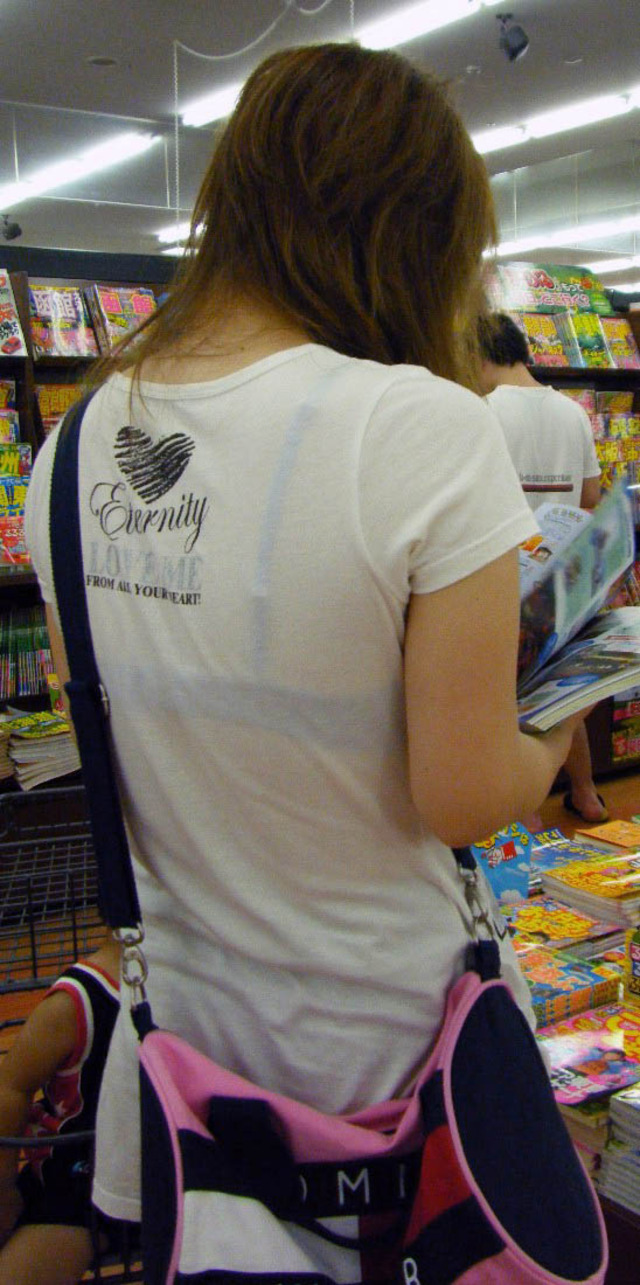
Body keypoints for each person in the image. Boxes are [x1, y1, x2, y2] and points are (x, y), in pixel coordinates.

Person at [24, 43, 588, 1236]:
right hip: (383, 1057)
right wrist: (569, 706)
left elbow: (115, 728)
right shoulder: (417, 426)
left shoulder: (70, 448)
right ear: (414, 232)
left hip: (188, 1031)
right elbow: (461, 796)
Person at [478, 310, 608, 827]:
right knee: (564, 690)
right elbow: (591, 495)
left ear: (478, 354)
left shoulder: (483, 411)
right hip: (564, 577)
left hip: (504, 577)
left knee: (507, 698)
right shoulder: (572, 412)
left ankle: (527, 810)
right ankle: (586, 793)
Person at [0, 935, 120, 1284]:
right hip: (79, 1186)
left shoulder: (206, 981)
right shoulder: (78, 1000)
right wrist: (5, 1191)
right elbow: (10, 1090)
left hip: (173, 1181)